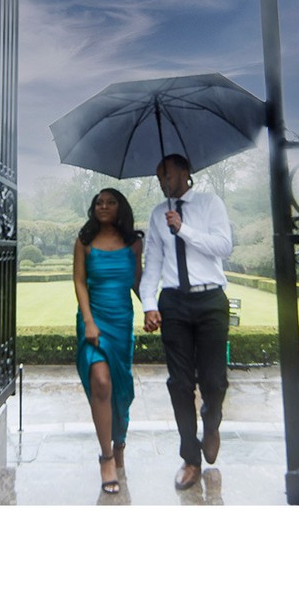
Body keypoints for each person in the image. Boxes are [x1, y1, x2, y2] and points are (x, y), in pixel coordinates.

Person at [140, 154, 232, 490]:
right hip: (174, 302)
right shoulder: (156, 214)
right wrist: (149, 304)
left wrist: (183, 229)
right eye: (158, 176)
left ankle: (211, 421)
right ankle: (190, 458)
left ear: (185, 173)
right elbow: (153, 262)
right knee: (179, 383)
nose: (162, 180)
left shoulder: (210, 204)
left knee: (214, 380)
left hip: (210, 299)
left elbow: (224, 247)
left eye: (166, 173)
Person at [73, 187, 143, 495]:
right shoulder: (84, 242)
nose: (103, 206)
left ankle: (120, 441)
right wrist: (88, 321)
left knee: (121, 389)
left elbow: (139, 282)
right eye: (99, 202)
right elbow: (78, 281)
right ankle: (106, 457)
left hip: (121, 322)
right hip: (94, 321)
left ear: (120, 208)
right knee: (100, 381)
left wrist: (155, 310)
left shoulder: (134, 244)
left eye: (110, 202)